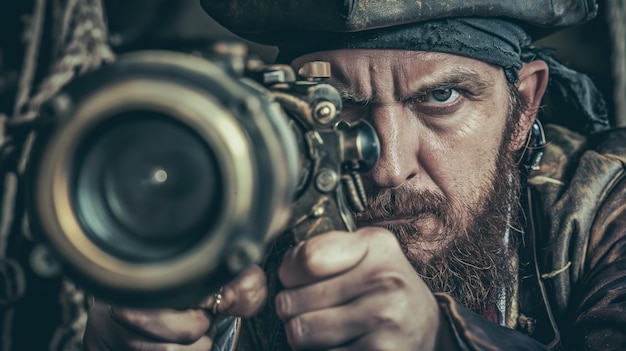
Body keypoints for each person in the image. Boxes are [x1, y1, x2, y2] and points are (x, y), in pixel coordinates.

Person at [44, 0, 626, 350]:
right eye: (334, 107)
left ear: (523, 108)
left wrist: (442, 341)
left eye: (441, 97)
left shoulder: (603, 204)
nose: (388, 166)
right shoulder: (222, 213)